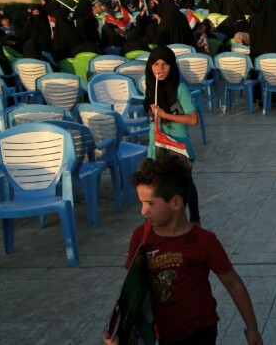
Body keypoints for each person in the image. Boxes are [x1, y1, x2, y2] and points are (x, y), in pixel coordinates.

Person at [103, 157, 262, 345]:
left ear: (176, 203)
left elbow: (233, 283)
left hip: (200, 330)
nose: (143, 211)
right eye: (141, 203)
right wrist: (119, 328)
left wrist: (252, 328)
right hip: (161, 333)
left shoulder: (204, 241)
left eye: (150, 203)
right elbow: (133, 289)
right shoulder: (141, 237)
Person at [143, 46, 201, 224]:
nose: (160, 68)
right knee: (156, 186)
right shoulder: (151, 87)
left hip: (178, 145)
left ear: (172, 66)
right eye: (156, 64)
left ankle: (194, 221)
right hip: (157, 145)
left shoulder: (179, 88)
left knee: (185, 186)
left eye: (165, 64)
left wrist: (165, 115)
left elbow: (193, 119)